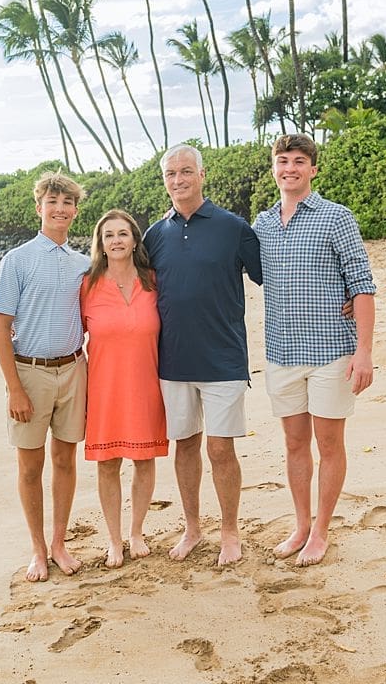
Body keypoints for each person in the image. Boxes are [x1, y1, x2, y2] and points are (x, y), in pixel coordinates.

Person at [253, 133, 377, 567]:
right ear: (274, 168)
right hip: (281, 352)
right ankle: (301, 525)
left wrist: (364, 351)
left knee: (329, 443)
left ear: (313, 169)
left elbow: (362, 285)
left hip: (332, 352)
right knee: (293, 443)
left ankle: (321, 531)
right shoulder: (262, 225)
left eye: (299, 161)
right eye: (283, 160)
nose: (290, 168)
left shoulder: (336, 217)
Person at [143, 144, 263, 566]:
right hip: (173, 361)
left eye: (186, 171)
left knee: (220, 449)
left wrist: (342, 294)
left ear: (202, 174)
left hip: (224, 359)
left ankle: (230, 532)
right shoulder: (155, 235)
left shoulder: (233, 227)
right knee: (186, 445)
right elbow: (130, 288)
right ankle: (192, 528)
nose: (178, 180)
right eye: (170, 173)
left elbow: (274, 274)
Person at [0, 171, 90, 583]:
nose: (60, 209)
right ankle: (37, 550)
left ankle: (59, 544)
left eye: (67, 203)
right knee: (30, 466)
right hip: (29, 373)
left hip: (74, 370)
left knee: (65, 460)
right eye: (52, 202)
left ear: (75, 211)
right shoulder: (17, 260)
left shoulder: (84, 264)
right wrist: (14, 388)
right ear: (39, 208)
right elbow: (0, 328)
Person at [80, 209, 168, 569]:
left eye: (123, 234)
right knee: (107, 464)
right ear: (100, 245)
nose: (116, 240)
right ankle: (114, 540)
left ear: (134, 241)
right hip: (104, 390)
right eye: (109, 235)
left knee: (144, 460)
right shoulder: (87, 285)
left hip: (147, 385)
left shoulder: (154, 281)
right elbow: (68, 333)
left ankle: (136, 532)